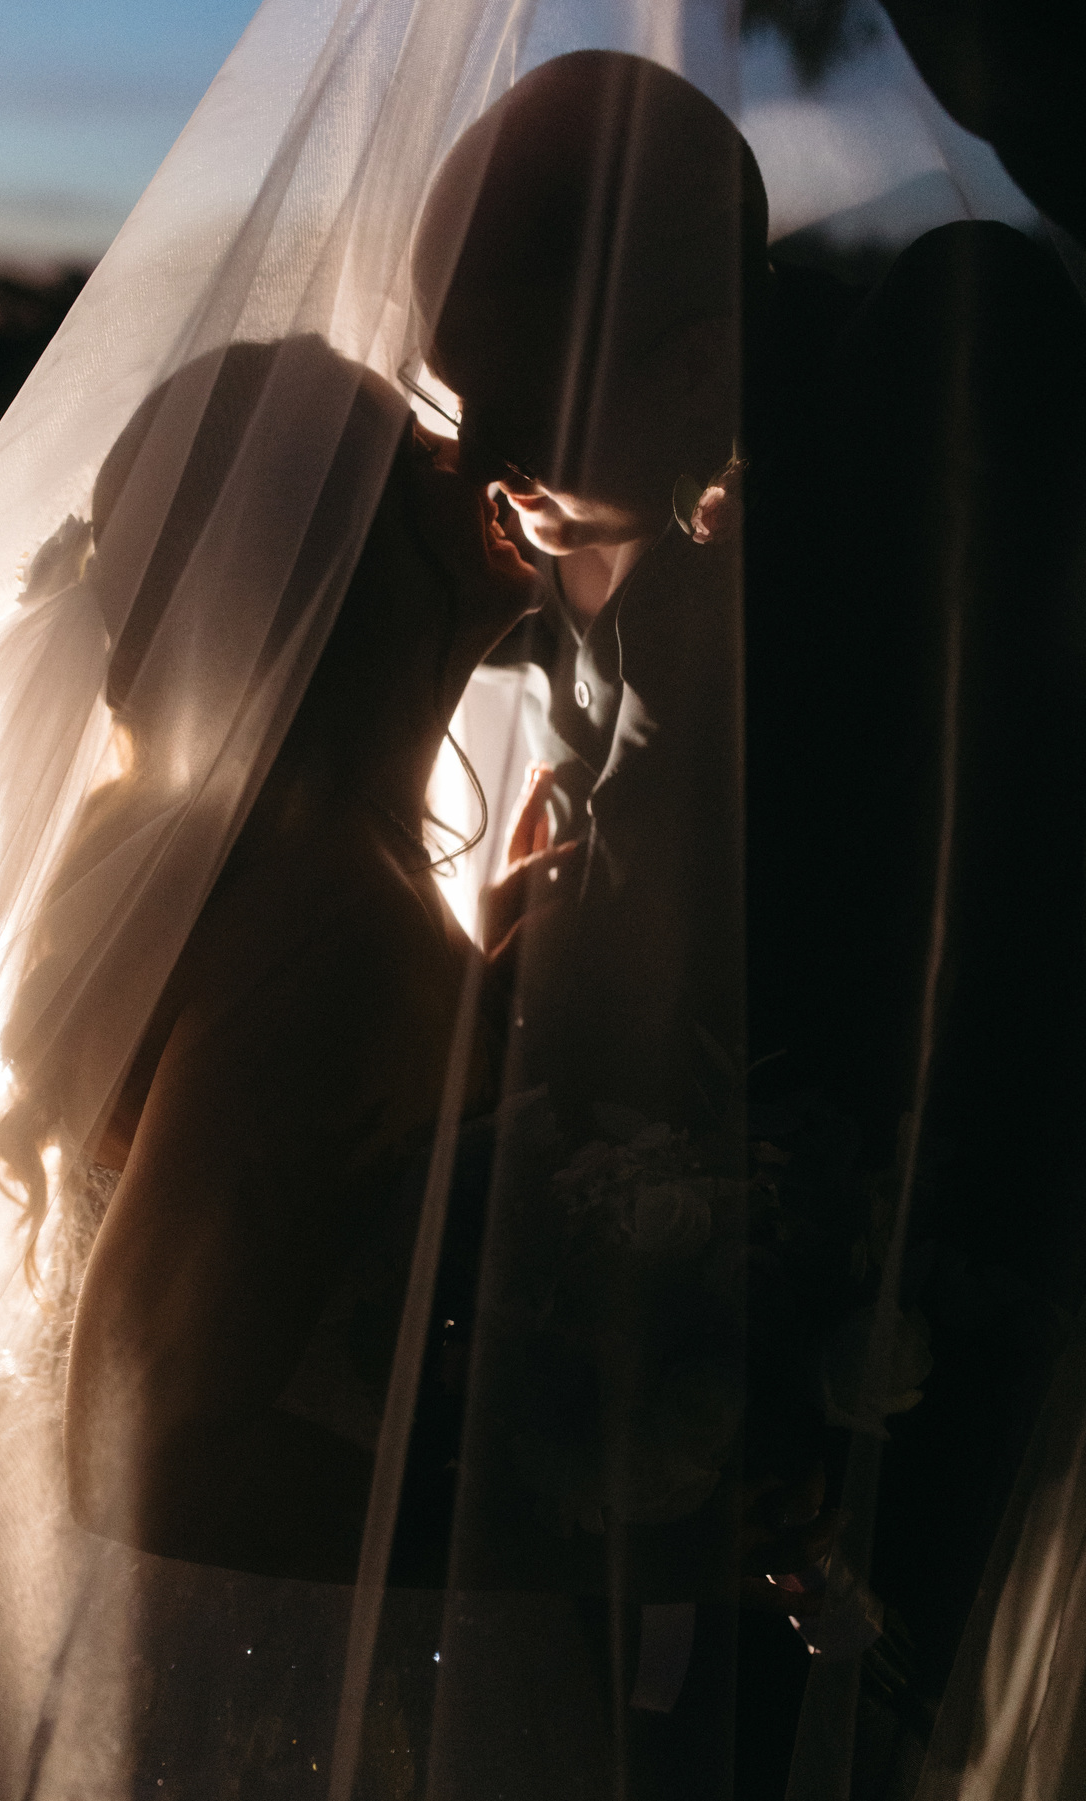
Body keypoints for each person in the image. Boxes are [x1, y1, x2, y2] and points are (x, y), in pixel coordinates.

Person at [412, 44, 1086, 1794]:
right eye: (455, 396)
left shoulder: (916, 436)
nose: (480, 462)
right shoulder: (675, 566)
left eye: (516, 403)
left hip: (929, 1393)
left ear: (702, 364)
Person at [0, 334, 540, 1579]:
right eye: (422, 451)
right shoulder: (332, 921)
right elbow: (143, 1456)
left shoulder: (318, 873)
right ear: (332, 561)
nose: (480, 459)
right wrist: (607, 1540)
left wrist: (491, 1001)